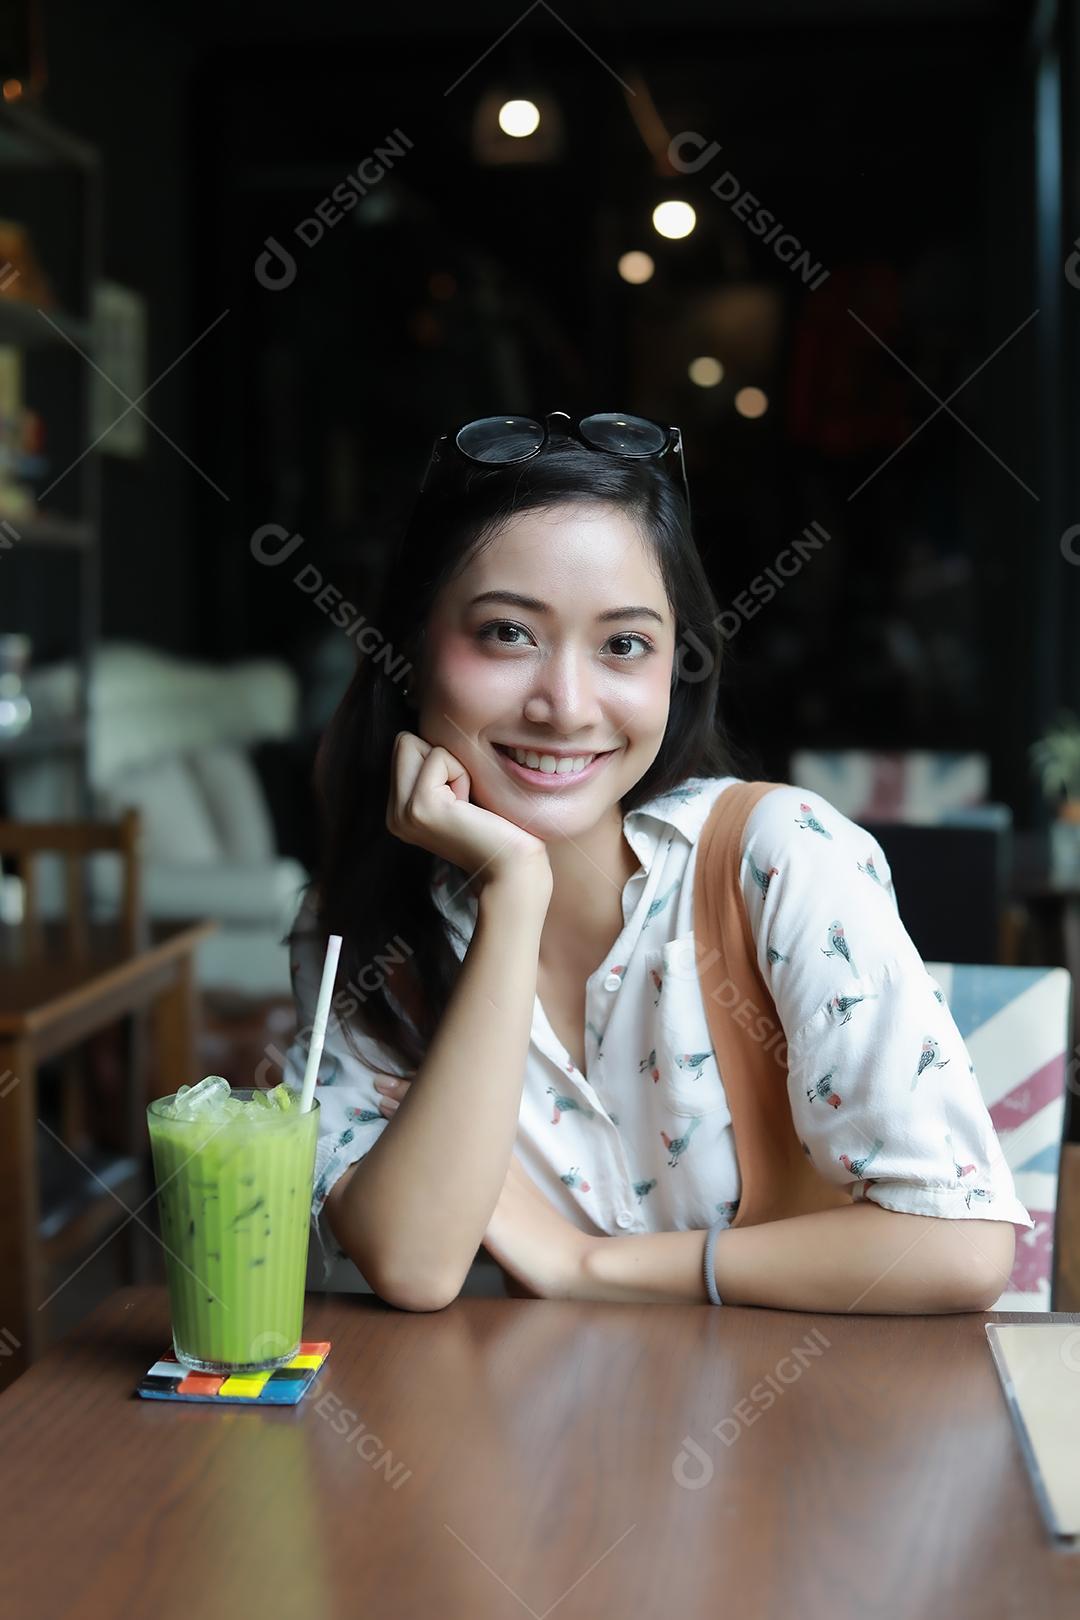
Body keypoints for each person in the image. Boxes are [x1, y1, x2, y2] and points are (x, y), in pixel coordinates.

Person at [283, 409, 1031, 1313]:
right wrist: (513, 891)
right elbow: (414, 1264)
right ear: (411, 648)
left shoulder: (780, 859)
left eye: (623, 645)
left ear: (677, 663)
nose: (565, 704)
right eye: (507, 634)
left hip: (800, 1437)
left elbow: (960, 1248)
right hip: (512, 1443)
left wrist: (586, 1268)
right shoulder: (364, 934)